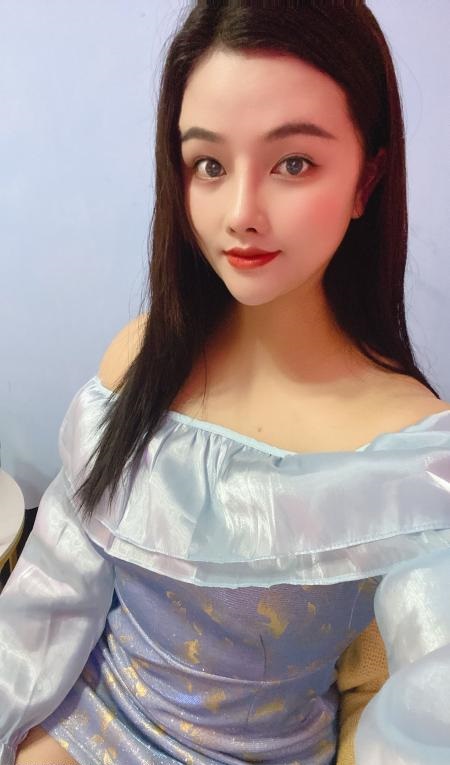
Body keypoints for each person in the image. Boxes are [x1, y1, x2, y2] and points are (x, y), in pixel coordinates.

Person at [1, 2, 450, 764]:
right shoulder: (143, 358)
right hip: (92, 718)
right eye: (208, 165)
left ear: (367, 177)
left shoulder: (413, 460)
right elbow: (56, 587)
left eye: (293, 163)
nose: (241, 213)